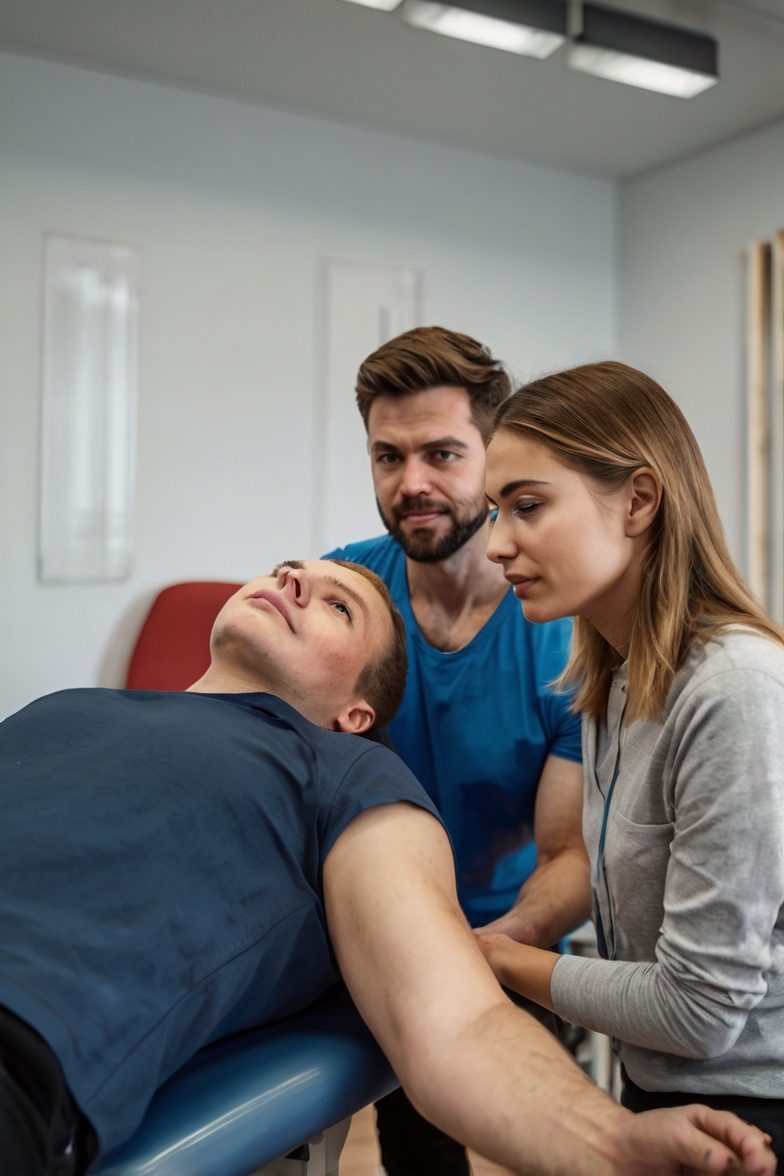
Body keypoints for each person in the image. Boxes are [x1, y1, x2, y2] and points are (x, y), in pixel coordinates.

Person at [0, 558, 775, 1176]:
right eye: (282, 569)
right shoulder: (67, 706)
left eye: (340, 608)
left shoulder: (345, 775)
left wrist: (605, 1142)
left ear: (356, 714)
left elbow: (457, 1020)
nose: (290, 580)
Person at [479, 361, 784, 1165]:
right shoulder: (610, 681)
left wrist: (501, 960)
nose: (496, 544)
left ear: (640, 501)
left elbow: (699, 1008)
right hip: (655, 1086)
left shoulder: (734, 688)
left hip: (752, 1116)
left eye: (527, 506)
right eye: (493, 511)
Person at [326, 327, 588, 1176]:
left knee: (552, 1140)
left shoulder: (561, 631)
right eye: (387, 457)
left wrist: (490, 948)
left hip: (515, 931)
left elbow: (569, 852)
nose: (413, 484)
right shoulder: (344, 596)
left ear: (495, 457)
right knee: (418, 1148)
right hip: (383, 934)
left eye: (442, 453)